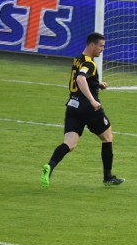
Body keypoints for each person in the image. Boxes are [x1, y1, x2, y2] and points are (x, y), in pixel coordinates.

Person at [40, 32, 125, 188]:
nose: (102, 49)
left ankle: (50, 166)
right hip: (88, 108)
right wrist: (93, 100)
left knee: (69, 144)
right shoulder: (90, 63)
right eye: (101, 46)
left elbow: (81, 78)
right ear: (92, 45)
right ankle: (108, 177)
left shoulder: (78, 58)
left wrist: (96, 84)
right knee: (107, 137)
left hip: (73, 106)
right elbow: (80, 79)